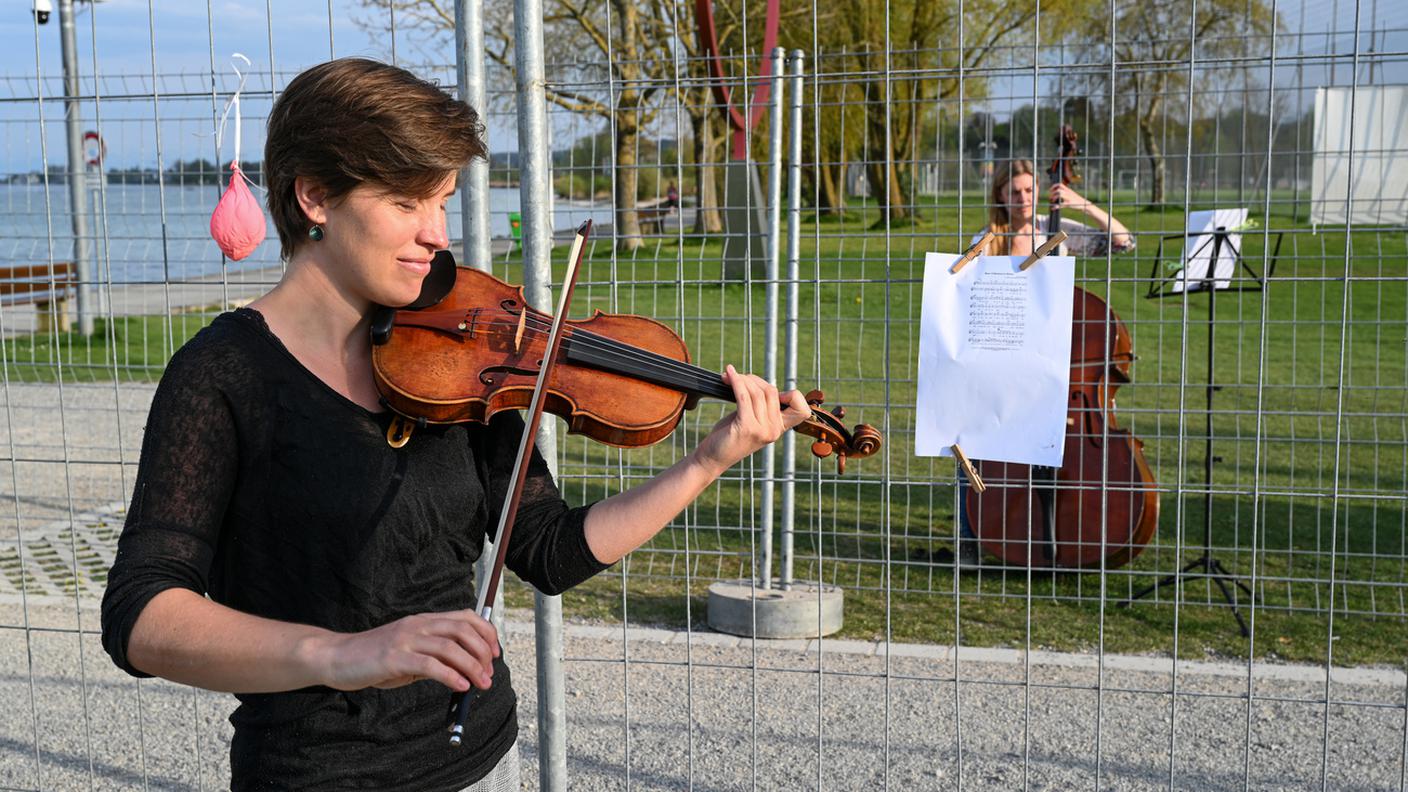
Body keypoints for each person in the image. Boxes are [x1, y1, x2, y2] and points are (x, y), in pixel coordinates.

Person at [100, 58, 810, 791]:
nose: (438, 234)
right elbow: (142, 615)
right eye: (409, 202)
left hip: (479, 756)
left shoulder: (466, 358)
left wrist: (707, 461)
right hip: (315, 773)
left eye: (443, 202)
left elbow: (547, 549)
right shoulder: (222, 374)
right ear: (314, 196)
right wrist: (343, 653)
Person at [953, 159, 1135, 569]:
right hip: (1002, 359)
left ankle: (1047, 533)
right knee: (973, 446)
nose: (1022, 199)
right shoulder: (986, 239)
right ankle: (970, 536)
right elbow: (962, 292)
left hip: (1054, 364)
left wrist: (1081, 204)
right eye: (1014, 192)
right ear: (1000, 194)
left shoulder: (1055, 232)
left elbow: (1124, 242)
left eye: (1029, 191)